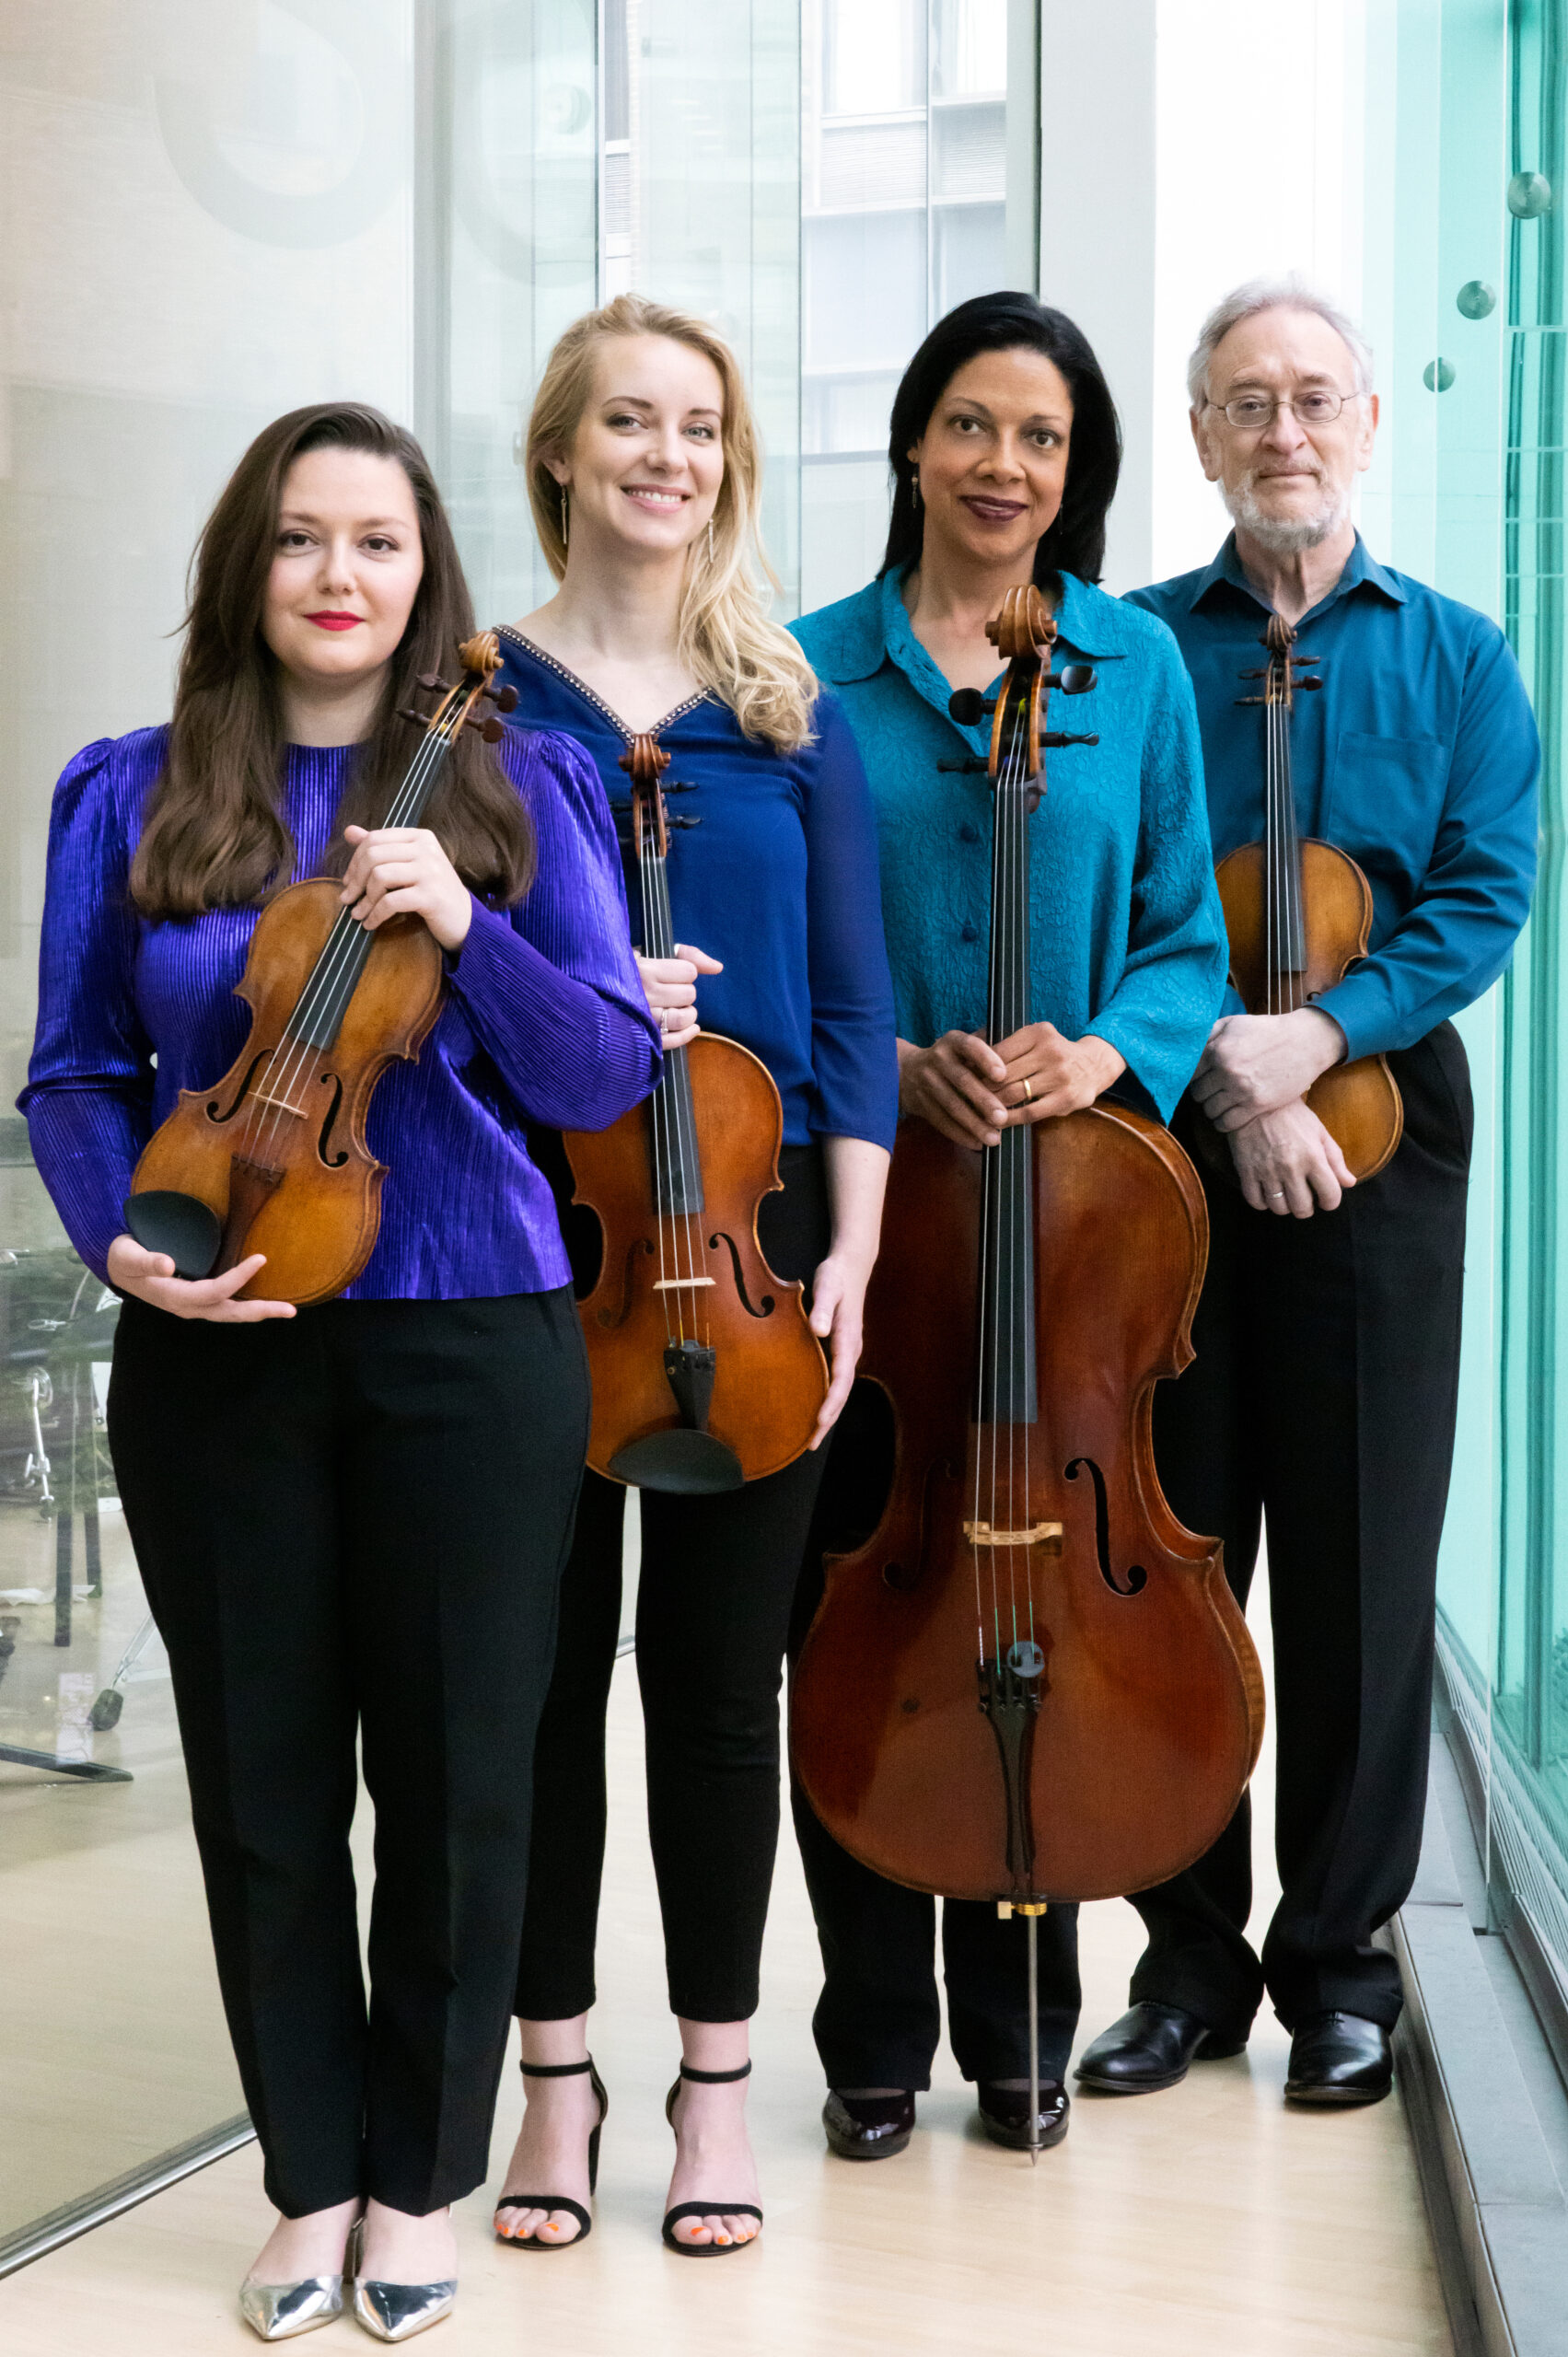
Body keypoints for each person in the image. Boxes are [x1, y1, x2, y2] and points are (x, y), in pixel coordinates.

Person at [19, 402, 659, 2343]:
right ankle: (307, 2172)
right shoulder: (126, 789)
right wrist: (114, 1231)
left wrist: (466, 926)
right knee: (266, 1782)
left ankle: (420, 2177)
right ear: (249, 566)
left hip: (475, 1337)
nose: (338, 576)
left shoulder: (520, 785)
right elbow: (74, 1068)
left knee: (466, 1779)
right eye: (302, 540)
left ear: (422, 574)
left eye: (375, 543)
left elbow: (606, 1072)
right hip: (222, 1339)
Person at [1074, 277, 1539, 2110]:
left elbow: (1480, 898)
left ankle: (1343, 1963)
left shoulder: (1462, 657)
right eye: (1246, 401)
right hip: (1167, 1151)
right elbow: (1102, 893)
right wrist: (1219, 1065)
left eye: (1315, 399)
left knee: (1360, 1564)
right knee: (1175, 1550)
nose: (1284, 431)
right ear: (1200, 433)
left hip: (1385, 1143)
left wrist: (1318, 1037)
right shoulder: (1125, 652)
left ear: (1368, 423)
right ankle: (1185, 1955)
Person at [788, 291, 1228, 2160]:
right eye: (971, 425)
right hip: (870, 1231)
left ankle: (1025, 2016)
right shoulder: (804, 672)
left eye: (1040, 438)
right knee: (866, 1613)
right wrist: (887, 1065)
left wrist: (1100, 1052)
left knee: (1047, 1596)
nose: (1003, 465)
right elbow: (776, 955)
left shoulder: (1134, 667)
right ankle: (876, 2026)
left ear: (1078, 472)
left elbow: (1189, 942)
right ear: (912, 443)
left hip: (1076, 1235)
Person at [486, 296, 898, 2257]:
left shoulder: (789, 713)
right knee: (543, 1683)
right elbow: (428, 1004)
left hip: (763, 1261)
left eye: (702, 428)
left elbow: (850, 1007)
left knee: (724, 1688)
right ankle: (552, 2074)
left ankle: (717, 2079)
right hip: (541, 1261)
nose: (670, 455)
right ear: (560, 451)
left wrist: (859, 1261)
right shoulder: (476, 703)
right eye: (629, 423)